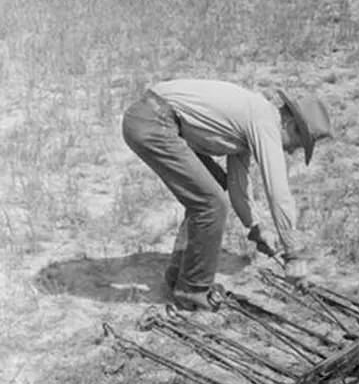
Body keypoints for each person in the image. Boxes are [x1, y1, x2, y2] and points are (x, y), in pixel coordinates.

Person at [121, 79, 332, 311]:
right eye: (298, 144)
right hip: (154, 121)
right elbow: (277, 190)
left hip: (152, 118)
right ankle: (192, 291)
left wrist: (255, 227)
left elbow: (237, 185)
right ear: (290, 125)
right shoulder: (266, 120)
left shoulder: (253, 122)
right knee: (211, 204)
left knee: (212, 187)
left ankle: (178, 274)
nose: (291, 151)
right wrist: (294, 254)